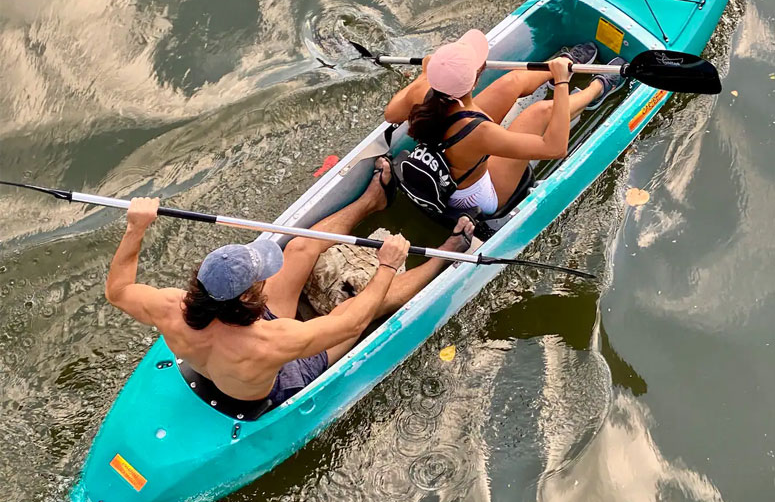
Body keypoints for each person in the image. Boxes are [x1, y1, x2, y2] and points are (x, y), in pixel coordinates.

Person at [104, 158, 474, 414]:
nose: (266, 275)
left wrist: (136, 227)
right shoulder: (274, 340)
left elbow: (117, 291)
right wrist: (387, 266)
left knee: (299, 246)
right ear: (247, 296)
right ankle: (445, 254)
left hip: (223, 357)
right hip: (268, 383)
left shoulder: (172, 307)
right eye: (259, 274)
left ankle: (372, 199)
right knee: (357, 304)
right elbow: (352, 324)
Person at [384, 30, 626, 215]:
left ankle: (562, 65)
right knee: (540, 112)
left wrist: (425, 76)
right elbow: (555, 147)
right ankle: (598, 88)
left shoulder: (425, 90)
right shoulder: (481, 132)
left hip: (450, 165)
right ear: (475, 82)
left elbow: (391, 114)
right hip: (476, 196)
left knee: (512, 82)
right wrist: (563, 86)